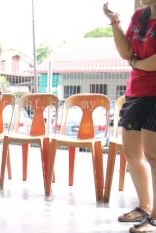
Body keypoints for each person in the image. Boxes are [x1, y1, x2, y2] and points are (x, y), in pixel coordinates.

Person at [104, 2, 156, 232]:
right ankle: (144, 206)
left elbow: (142, 60)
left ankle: (154, 218)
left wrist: (135, 62)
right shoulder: (139, 15)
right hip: (135, 92)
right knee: (132, 153)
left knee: (153, 156)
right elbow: (126, 51)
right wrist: (115, 22)